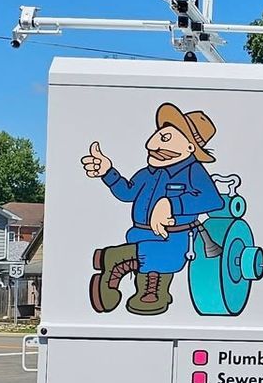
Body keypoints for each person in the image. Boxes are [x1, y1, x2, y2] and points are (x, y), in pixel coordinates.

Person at [80, 103, 225, 315]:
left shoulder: (194, 172)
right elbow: (127, 193)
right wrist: (108, 172)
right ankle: (140, 288)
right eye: (158, 135)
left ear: (190, 148)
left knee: (164, 261)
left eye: (165, 138)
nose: (153, 144)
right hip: (139, 233)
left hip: (174, 237)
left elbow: (212, 200)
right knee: (148, 268)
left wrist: (171, 204)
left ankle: (116, 260)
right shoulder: (148, 173)